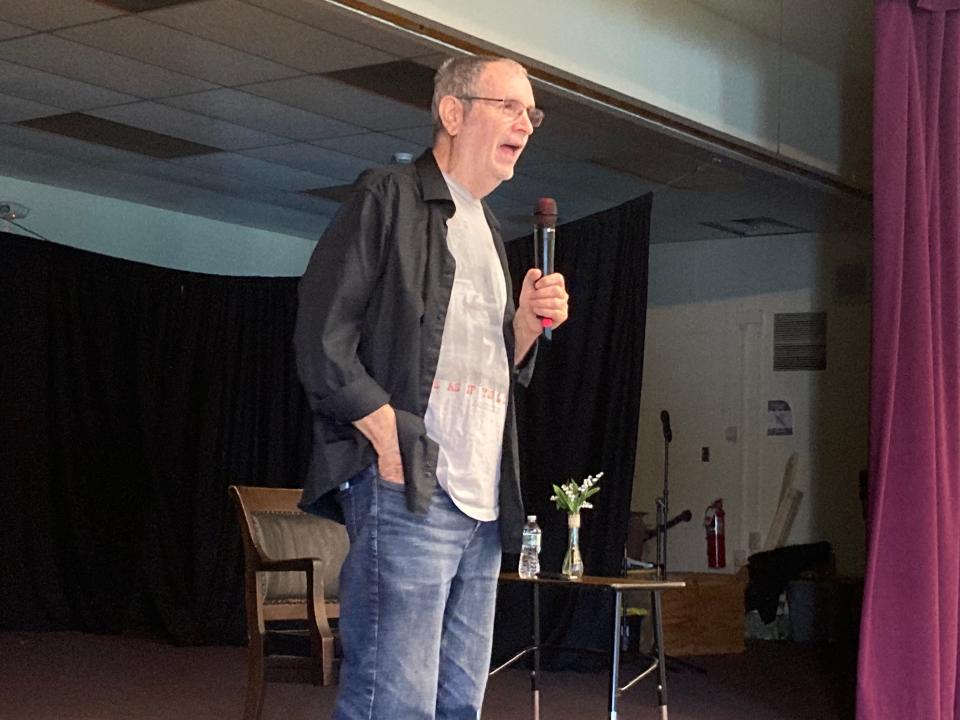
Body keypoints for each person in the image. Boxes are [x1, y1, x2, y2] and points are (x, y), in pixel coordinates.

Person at [293, 55, 569, 720]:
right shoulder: (387, 197)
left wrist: (525, 329)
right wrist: (388, 437)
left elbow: (479, 366)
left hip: (480, 507)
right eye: (509, 106)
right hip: (409, 488)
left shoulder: (490, 232)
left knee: (456, 705)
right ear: (453, 112)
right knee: (394, 701)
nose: (525, 124)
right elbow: (321, 339)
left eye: (531, 113)